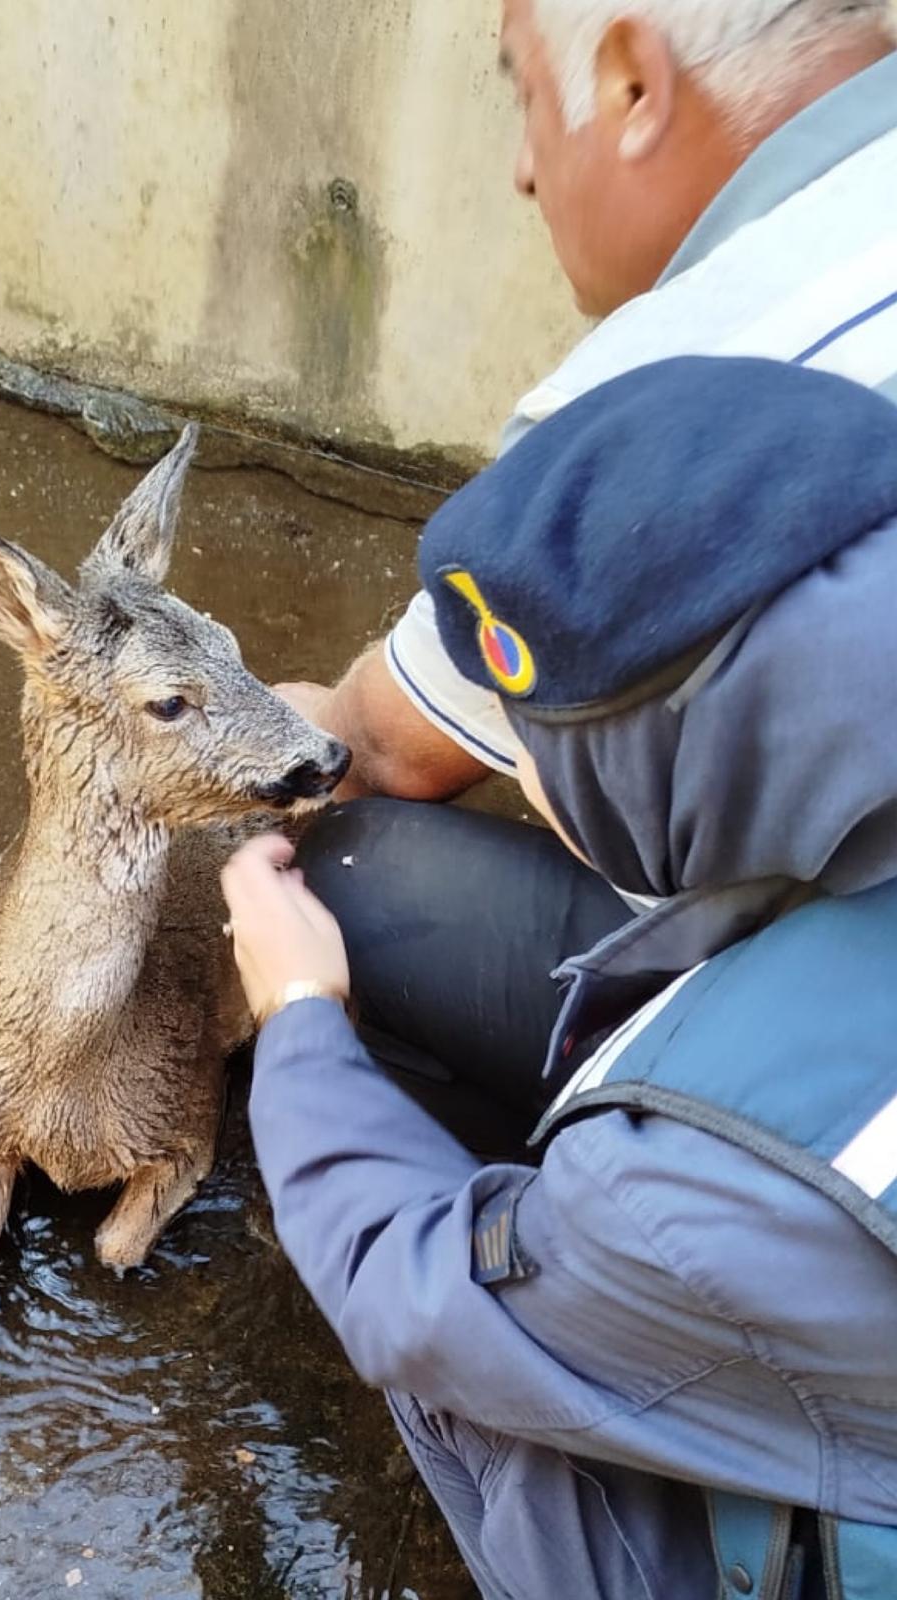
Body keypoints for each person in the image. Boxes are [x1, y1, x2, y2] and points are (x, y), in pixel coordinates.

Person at [221, 354, 897, 1599]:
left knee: (485, 1382)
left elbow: (409, 1287)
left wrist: (300, 1018)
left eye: (531, 745)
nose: (514, 774)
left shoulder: (697, 1178)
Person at [279, 0, 897, 1145]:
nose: (522, 168)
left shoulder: (665, 395)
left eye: (521, 94)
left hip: (841, 1094)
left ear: (628, 83)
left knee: (340, 864)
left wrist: (251, 750)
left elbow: (373, 749)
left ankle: (606, 1153)